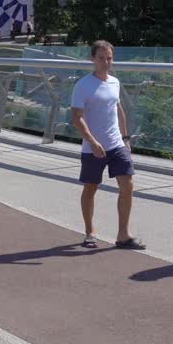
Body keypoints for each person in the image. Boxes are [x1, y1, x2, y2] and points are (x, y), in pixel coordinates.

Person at [70, 41, 144, 250]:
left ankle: (123, 235)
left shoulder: (115, 82)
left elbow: (118, 110)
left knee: (127, 183)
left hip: (116, 144)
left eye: (109, 58)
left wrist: (126, 138)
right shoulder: (83, 85)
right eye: (101, 58)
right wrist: (92, 142)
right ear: (93, 59)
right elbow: (76, 118)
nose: (106, 62)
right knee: (91, 187)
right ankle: (90, 232)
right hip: (93, 147)